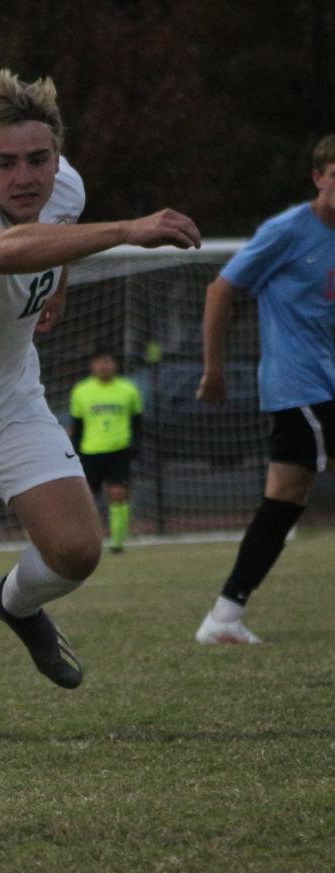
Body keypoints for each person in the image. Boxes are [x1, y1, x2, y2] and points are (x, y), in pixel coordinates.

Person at [0, 68, 201, 740]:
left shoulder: (65, 187)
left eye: (38, 158)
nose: (24, 176)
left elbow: (53, 235)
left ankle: (16, 604)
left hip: (10, 398)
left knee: (77, 549)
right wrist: (130, 230)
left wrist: (59, 288)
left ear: (55, 155)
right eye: (4, 162)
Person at [193, 134, 335, 646]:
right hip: (300, 385)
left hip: (325, 383)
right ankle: (223, 617)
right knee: (285, 497)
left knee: (284, 499)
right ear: (319, 177)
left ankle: (225, 616)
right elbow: (221, 290)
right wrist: (214, 369)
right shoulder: (288, 231)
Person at [68, 348, 143, 553]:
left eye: (108, 361)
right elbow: (78, 424)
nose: (104, 366)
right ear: (92, 366)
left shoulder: (129, 390)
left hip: (119, 451)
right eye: (99, 362)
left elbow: (137, 422)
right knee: (86, 499)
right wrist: (74, 450)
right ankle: (89, 540)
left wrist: (135, 446)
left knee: (118, 494)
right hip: (90, 451)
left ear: (115, 365)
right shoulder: (81, 391)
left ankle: (118, 542)